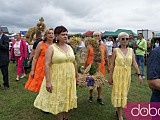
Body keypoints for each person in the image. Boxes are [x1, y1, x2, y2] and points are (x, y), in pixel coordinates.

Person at [34, 26, 78, 120]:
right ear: (57, 36)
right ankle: (60, 118)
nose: (65, 36)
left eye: (66, 34)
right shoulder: (51, 48)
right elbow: (46, 65)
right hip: (57, 78)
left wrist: (77, 76)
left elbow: (74, 62)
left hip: (69, 78)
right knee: (58, 98)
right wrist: (48, 82)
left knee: (68, 97)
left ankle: (66, 117)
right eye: (63, 35)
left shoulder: (70, 47)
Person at [108, 32, 143, 120]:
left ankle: (119, 110)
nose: (125, 40)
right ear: (119, 40)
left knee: (124, 93)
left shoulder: (131, 51)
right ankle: (120, 114)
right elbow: (112, 65)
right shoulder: (115, 50)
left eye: (127, 39)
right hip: (118, 74)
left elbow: (134, 63)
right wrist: (110, 76)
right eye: (123, 39)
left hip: (127, 75)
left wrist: (139, 74)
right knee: (118, 92)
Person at [25, 28, 54, 92]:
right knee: (41, 87)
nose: (51, 35)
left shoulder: (55, 45)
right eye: (49, 33)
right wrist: (32, 70)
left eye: (52, 33)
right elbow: (35, 58)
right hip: (40, 67)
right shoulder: (40, 44)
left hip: (51, 66)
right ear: (45, 35)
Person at [85, 31, 109, 105]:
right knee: (91, 81)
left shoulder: (103, 46)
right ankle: (91, 96)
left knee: (100, 83)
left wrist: (108, 66)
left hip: (101, 67)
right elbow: (86, 56)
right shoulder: (89, 46)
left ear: (101, 36)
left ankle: (99, 97)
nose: (97, 37)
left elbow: (106, 57)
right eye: (95, 36)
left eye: (98, 35)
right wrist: (85, 67)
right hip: (91, 66)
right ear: (93, 37)